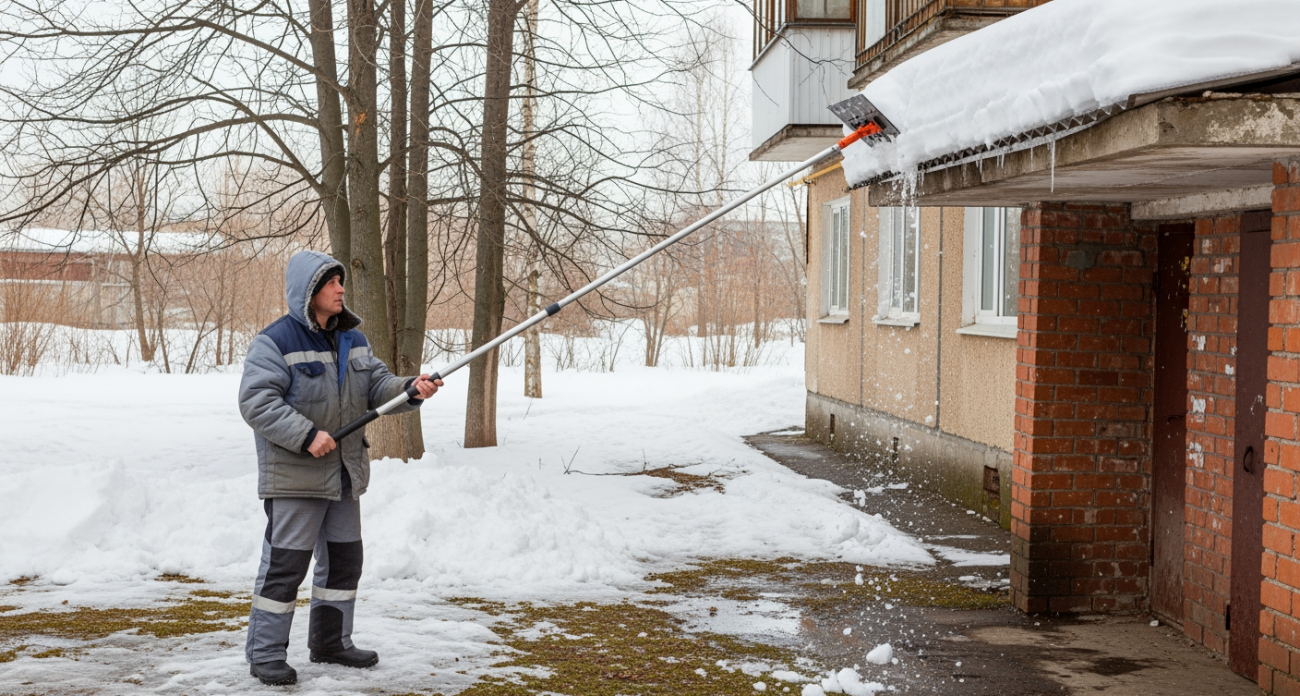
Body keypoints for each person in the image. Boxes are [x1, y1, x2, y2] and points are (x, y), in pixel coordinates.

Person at [237, 250, 441, 686]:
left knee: (345, 562)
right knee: (285, 567)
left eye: (340, 281)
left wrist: (411, 389)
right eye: (331, 283)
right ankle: (266, 653)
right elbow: (257, 402)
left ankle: (331, 642)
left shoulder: (355, 340)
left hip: (344, 474)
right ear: (308, 291)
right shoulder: (275, 342)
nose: (340, 289)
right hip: (296, 479)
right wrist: (307, 435)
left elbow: (378, 387)